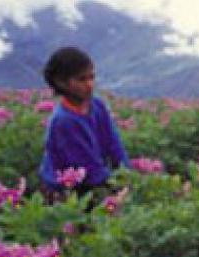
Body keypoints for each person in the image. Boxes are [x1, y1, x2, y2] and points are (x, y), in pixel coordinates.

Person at [39, 47, 131, 199]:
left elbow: (114, 144)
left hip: (93, 177)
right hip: (67, 190)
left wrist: (128, 174)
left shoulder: (97, 105)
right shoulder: (64, 121)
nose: (90, 84)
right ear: (61, 82)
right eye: (82, 79)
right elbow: (88, 169)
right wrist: (118, 188)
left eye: (91, 77)